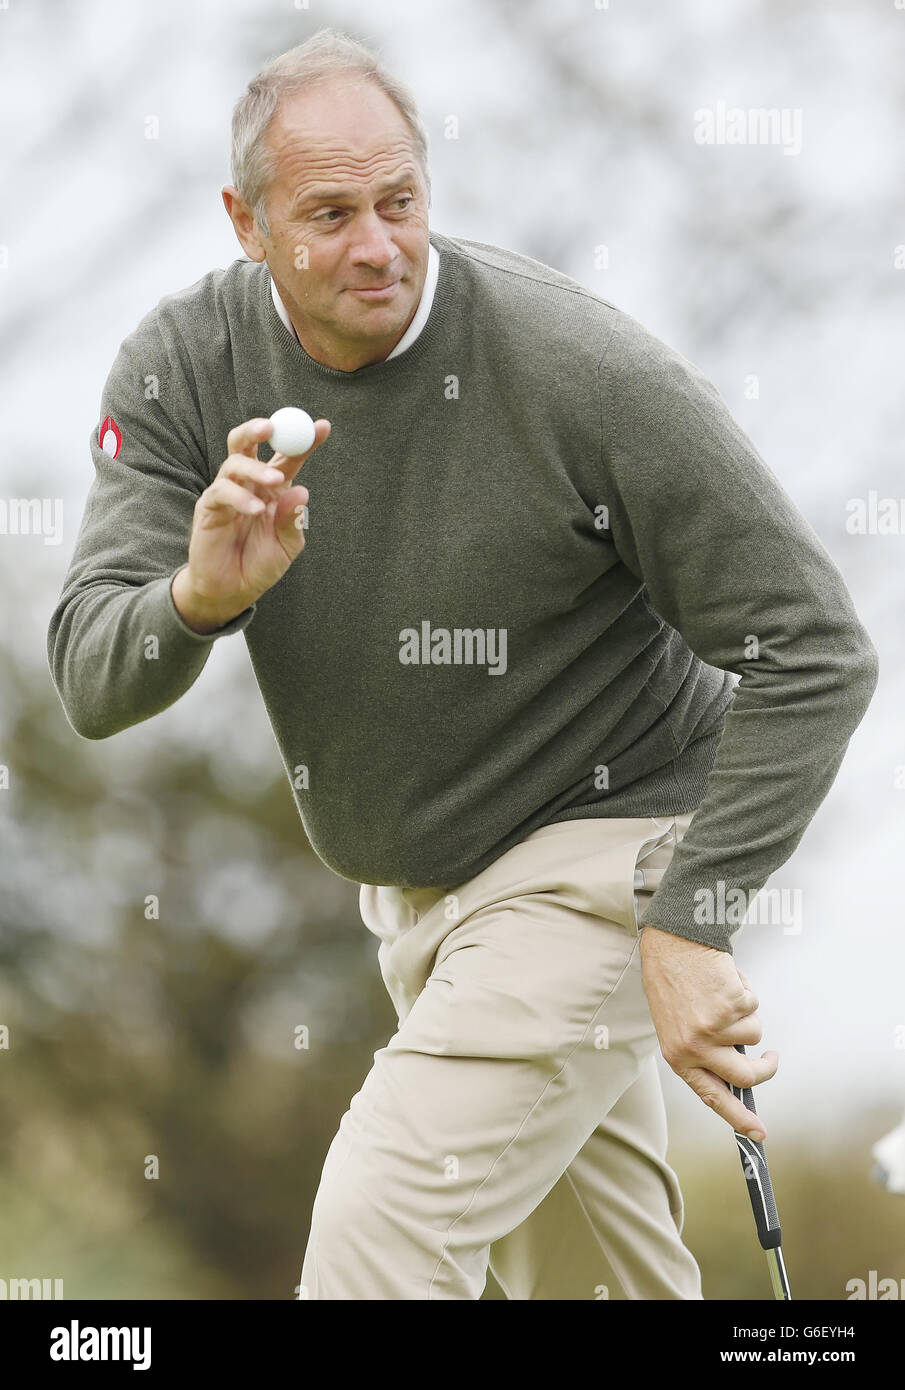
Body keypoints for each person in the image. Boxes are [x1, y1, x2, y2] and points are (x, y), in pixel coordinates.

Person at [46, 27, 879, 1300]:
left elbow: (813, 647)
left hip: (602, 859)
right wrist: (198, 598)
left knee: (375, 1241)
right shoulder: (182, 367)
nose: (377, 244)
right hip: (422, 908)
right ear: (245, 222)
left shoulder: (582, 371)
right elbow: (95, 678)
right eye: (329, 213)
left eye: (399, 200)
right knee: (598, 1288)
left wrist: (691, 917)